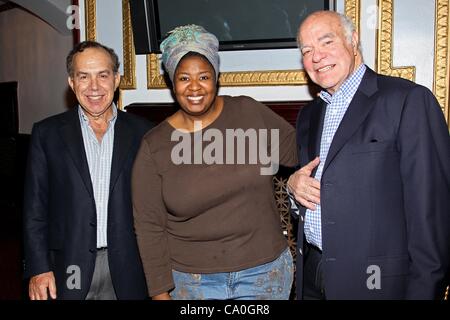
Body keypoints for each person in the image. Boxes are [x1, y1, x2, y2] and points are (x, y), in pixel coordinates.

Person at [287, 10, 450, 299]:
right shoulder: (308, 115)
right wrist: (292, 188)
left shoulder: (408, 101)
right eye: (307, 50)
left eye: (327, 42)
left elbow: (431, 214)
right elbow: (317, 188)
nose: (316, 56)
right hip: (313, 276)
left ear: (353, 40)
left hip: (376, 283)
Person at [132, 25, 297, 300]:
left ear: (216, 79)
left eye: (204, 77)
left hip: (264, 275)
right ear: (173, 82)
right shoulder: (154, 146)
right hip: (192, 282)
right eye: (184, 78)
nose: (194, 87)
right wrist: (159, 293)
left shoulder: (248, 112)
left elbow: (297, 150)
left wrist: (298, 176)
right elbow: (149, 226)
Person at [23, 41, 153, 300]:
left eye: (103, 75)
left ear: (116, 79)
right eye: (84, 77)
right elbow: (34, 210)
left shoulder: (145, 133)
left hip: (128, 269)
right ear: (72, 83)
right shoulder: (47, 134)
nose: (94, 87)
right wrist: (38, 269)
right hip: (69, 265)